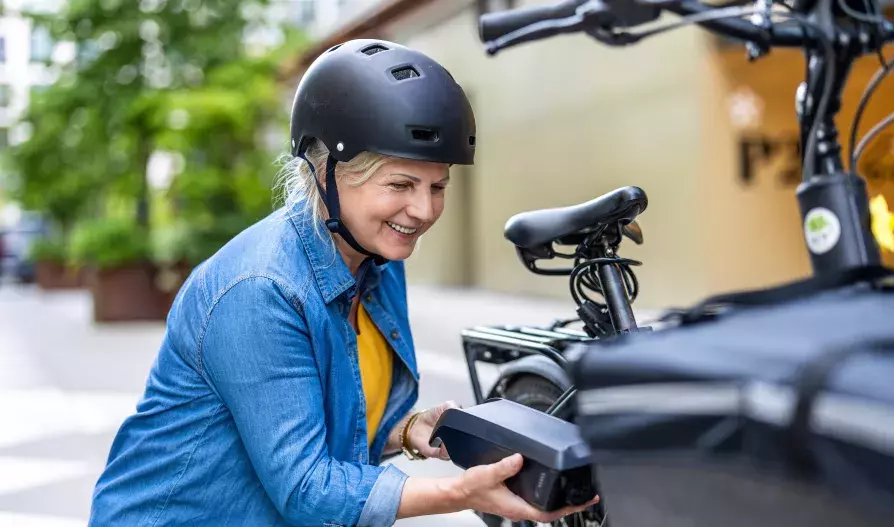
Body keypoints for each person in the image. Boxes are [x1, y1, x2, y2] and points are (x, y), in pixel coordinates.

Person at [88, 39, 596, 526]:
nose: (422, 211)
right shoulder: (259, 289)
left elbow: (334, 425)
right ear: (325, 172)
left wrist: (406, 430)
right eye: (399, 184)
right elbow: (305, 486)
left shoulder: (377, 256)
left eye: (437, 186)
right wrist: (461, 494)